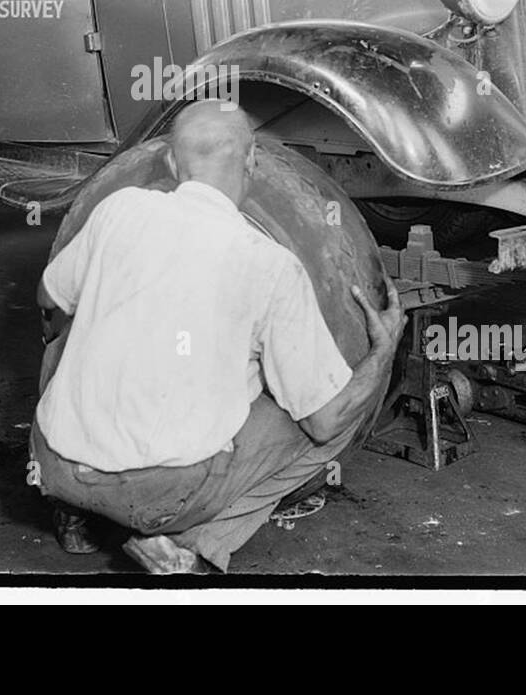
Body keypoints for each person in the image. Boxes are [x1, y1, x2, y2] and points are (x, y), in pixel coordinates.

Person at [28, 99, 405, 574]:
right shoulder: (270, 265)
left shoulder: (117, 209)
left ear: (169, 162)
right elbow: (325, 422)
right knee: (327, 410)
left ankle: (74, 516)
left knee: (65, 334)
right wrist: (383, 350)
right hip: (160, 497)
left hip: (55, 464)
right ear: (250, 162)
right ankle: (190, 545)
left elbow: (47, 298)